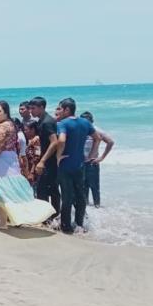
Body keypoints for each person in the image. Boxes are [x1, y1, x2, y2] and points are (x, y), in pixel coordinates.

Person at [0, 101, 55, 229]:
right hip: (11, 159)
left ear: (5, 112)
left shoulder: (2, 127)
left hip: (2, 161)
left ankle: (5, 222)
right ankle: (5, 222)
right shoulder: (11, 124)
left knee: (3, 192)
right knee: (12, 191)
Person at [55, 98, 101, 234]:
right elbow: (97, 138)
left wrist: (58, 155)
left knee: (67, 197)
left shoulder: (63, 123)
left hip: (66, 165)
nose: (59, 111)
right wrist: (91, 155)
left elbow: (62, 140)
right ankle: (79, 224)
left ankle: (66, 227)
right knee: (80, 196)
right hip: (80, 164)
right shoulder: (85, 122)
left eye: (60, 109)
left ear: (67, 109)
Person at [30, 97, 60, 218]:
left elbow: (54, 142)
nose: (31, 111)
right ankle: (51, 217)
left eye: (33, 108)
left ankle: (49, 218)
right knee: (49, 190)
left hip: (50, 162)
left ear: (42, 107)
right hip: (48, 161)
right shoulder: (42, 121)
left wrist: (42, 161)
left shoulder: (47, 122)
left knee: (45, 191)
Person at [79, 111, 115, 208]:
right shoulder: (79, 130)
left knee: (94, 187)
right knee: (83, 187)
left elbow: (110, 142)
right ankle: (85, 207)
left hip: (92, 162)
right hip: (80, 162)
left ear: (92, 122)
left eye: (88, 122)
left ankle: (97, 207)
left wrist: (102, 157)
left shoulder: (97, 131)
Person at [22, 120, 41, 186]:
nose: (24, 132)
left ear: (33, 130)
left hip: (34, 172)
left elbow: (37, 156)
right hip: (29, 171)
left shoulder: (36, 141)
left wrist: (32, 172)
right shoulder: (29, 141)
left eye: (26, 130)